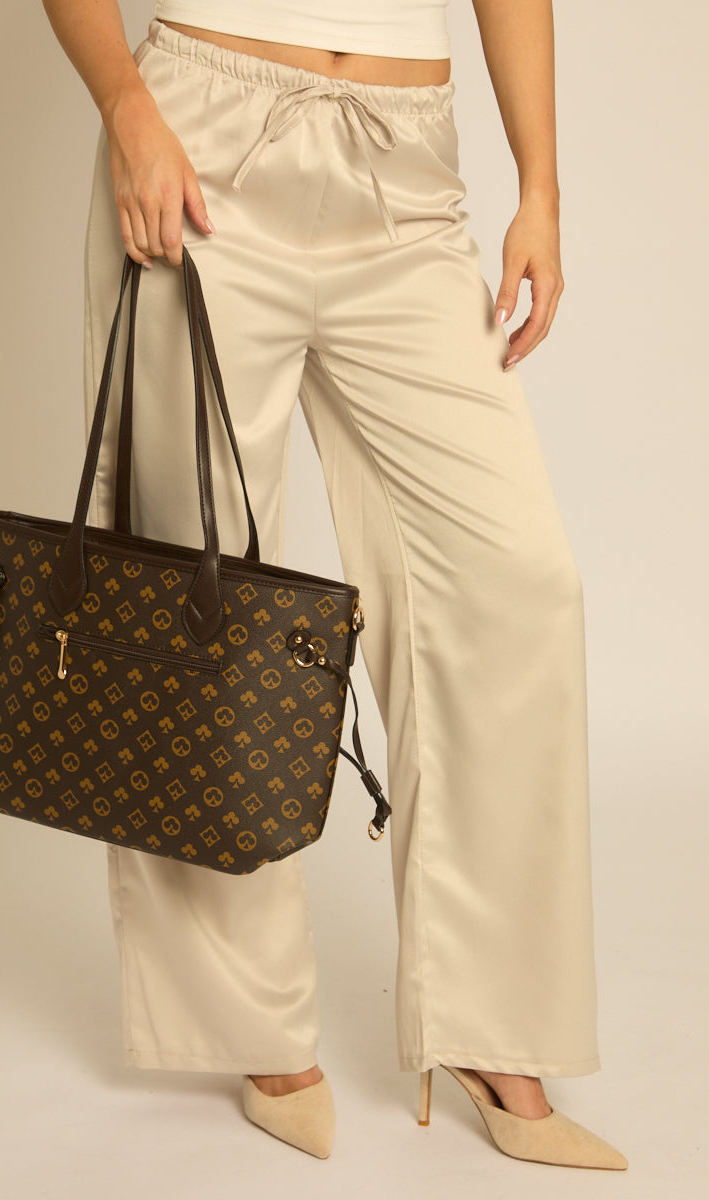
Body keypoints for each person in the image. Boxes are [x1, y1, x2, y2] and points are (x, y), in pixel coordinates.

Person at [41, 0, 628, 1169]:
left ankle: (489, 1022)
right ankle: (251, 1023)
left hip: (402, 172)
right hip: (198, 136)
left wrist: (541, 189)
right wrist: (125, 105)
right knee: (198, 588)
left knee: (514, 584)